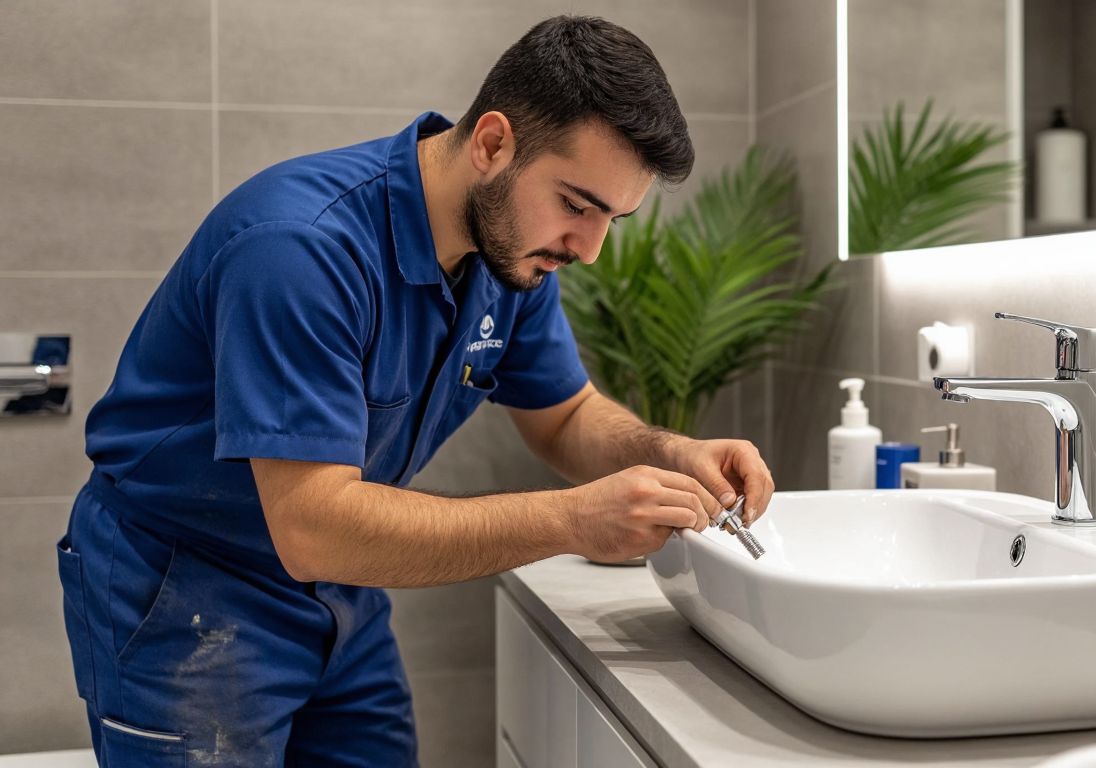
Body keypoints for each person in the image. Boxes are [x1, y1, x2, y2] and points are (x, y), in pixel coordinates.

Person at [56, 15, 774, 766]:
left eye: (613, 220)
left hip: (339, 594)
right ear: (493, 144)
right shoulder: (301, 249)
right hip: (185, 593)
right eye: (577, 204)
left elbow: (567, 418)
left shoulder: (510, 258)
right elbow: (312, 525)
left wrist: (673, 451)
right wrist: (572, 520)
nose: (589, 249)